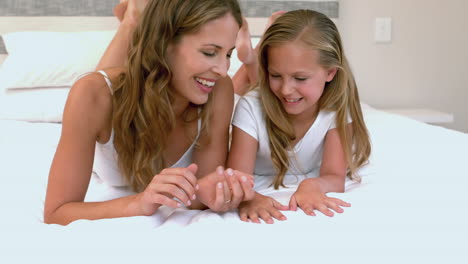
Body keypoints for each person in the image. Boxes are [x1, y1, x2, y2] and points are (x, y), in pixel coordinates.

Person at [43, 0, 255, 226]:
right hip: (114, 98)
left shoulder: (220, 89)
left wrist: (208, 193)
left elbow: (201, 190)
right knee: (105, 87)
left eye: (229, 54)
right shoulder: (91, 95)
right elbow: (57, 212)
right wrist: (139, 203)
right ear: (164, 42)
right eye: (210, 52)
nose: (223, 70)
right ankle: (131, 21)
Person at [227, 9, 372, 224]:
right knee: (230, 95)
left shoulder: (336, 109)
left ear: (330, 73)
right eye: (275, 75)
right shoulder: (250, 108)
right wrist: (249, 198)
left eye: (300, 78)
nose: (286, 90)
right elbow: (237, 178)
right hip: (246, 101)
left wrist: (313, 185)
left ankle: (251, 57)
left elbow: (334, 177)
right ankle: (251, 59)